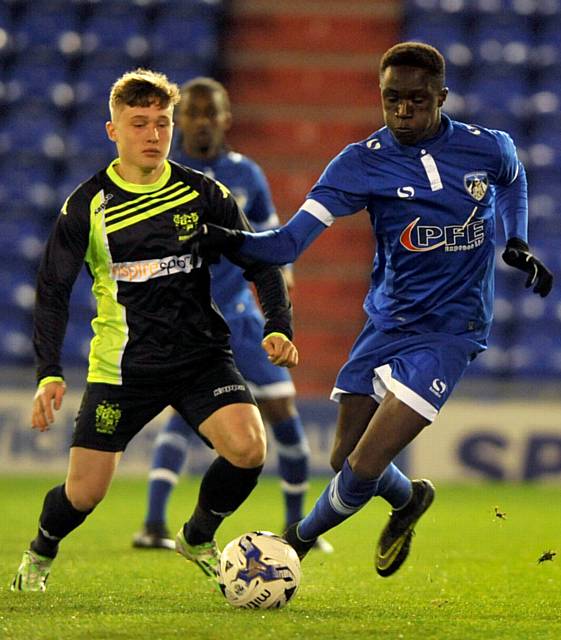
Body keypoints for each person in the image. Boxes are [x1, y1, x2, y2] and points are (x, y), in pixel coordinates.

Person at [186, 42, 554, 577]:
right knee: (342, 459)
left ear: (441, 97)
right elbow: (285, 246)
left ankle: (294, 541)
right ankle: (408, 501)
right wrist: (218, 238)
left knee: (363, 464)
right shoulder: (360, 163)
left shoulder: (486, 147)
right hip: (386, 322)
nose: (403, 110)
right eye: (392, 99)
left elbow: (514, 176)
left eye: (416, 100)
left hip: (453, 329)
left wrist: (515, 239)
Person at [10, 68, 299, 592]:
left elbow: (261, 261)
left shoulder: (202, 193)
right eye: (139, 123)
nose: (153, 134)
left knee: (249, 447)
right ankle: (42, 548)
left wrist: (278, 325)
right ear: (113, 130)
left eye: (161, 123)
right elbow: (52, 289)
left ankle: (197, 535)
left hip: (199, 357)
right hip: (123, 369)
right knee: (84, 494)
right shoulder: (87, 206)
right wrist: (48, 372)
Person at [131, 77, 332, 554]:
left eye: (210, 112)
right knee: (182, 417)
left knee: (283, 412)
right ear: (181, 121)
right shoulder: (159, 174)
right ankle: (154, 524)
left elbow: (269, 240)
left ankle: (297, 527)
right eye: (193, 112)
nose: (201, 121)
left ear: (225, 119)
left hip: (240, 318)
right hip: (188, 321)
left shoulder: (246, 175)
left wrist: (283, 281)